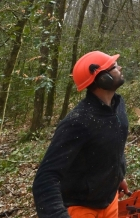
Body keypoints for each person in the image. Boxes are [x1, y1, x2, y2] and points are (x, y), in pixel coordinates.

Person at [32, 51, 130, 218]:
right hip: (81, 208)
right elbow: (45, 178)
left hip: (109, 201)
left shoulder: (118, 106)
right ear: (102, 79)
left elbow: (112, 145)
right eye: (114, 67)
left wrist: (117, 176)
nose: (119, 68)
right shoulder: (78, 122)